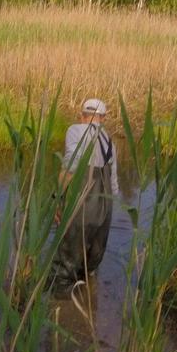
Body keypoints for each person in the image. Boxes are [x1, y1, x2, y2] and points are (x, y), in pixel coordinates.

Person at [51, 98, 120, 290]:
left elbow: (70, 166)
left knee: (66, 261)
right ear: (103, 118)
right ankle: (89, 298)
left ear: (82, 116)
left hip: (82, 203)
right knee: (91, 261)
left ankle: (63, 306)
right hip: (105, 207)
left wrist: (59, 201)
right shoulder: (110, 142)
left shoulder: (75, 131)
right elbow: (114, 186)